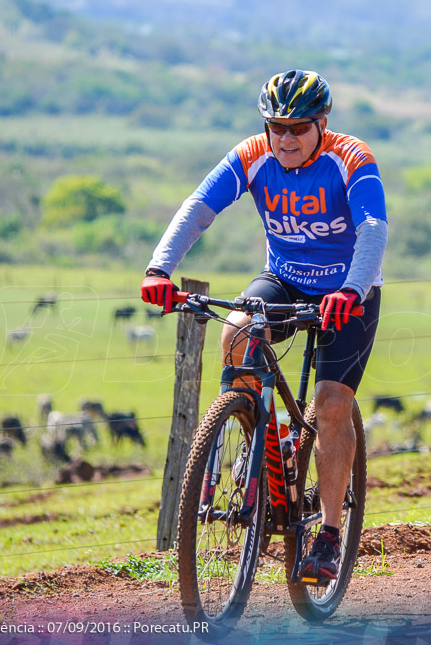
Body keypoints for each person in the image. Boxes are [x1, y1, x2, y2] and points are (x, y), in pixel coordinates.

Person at [141, 69, 387, 585]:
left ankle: (329, 536)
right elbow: (199, 208)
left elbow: (371, 229)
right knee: (235, 331)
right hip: (284, 278)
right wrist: (160, 268)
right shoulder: (252, 155)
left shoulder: (352, 158)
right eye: (277, 126)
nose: (286, 138)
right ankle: (254, 436)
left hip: (348, 289)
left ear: (322, 124)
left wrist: (351, 290)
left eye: (298, 128)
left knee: (332, 403)